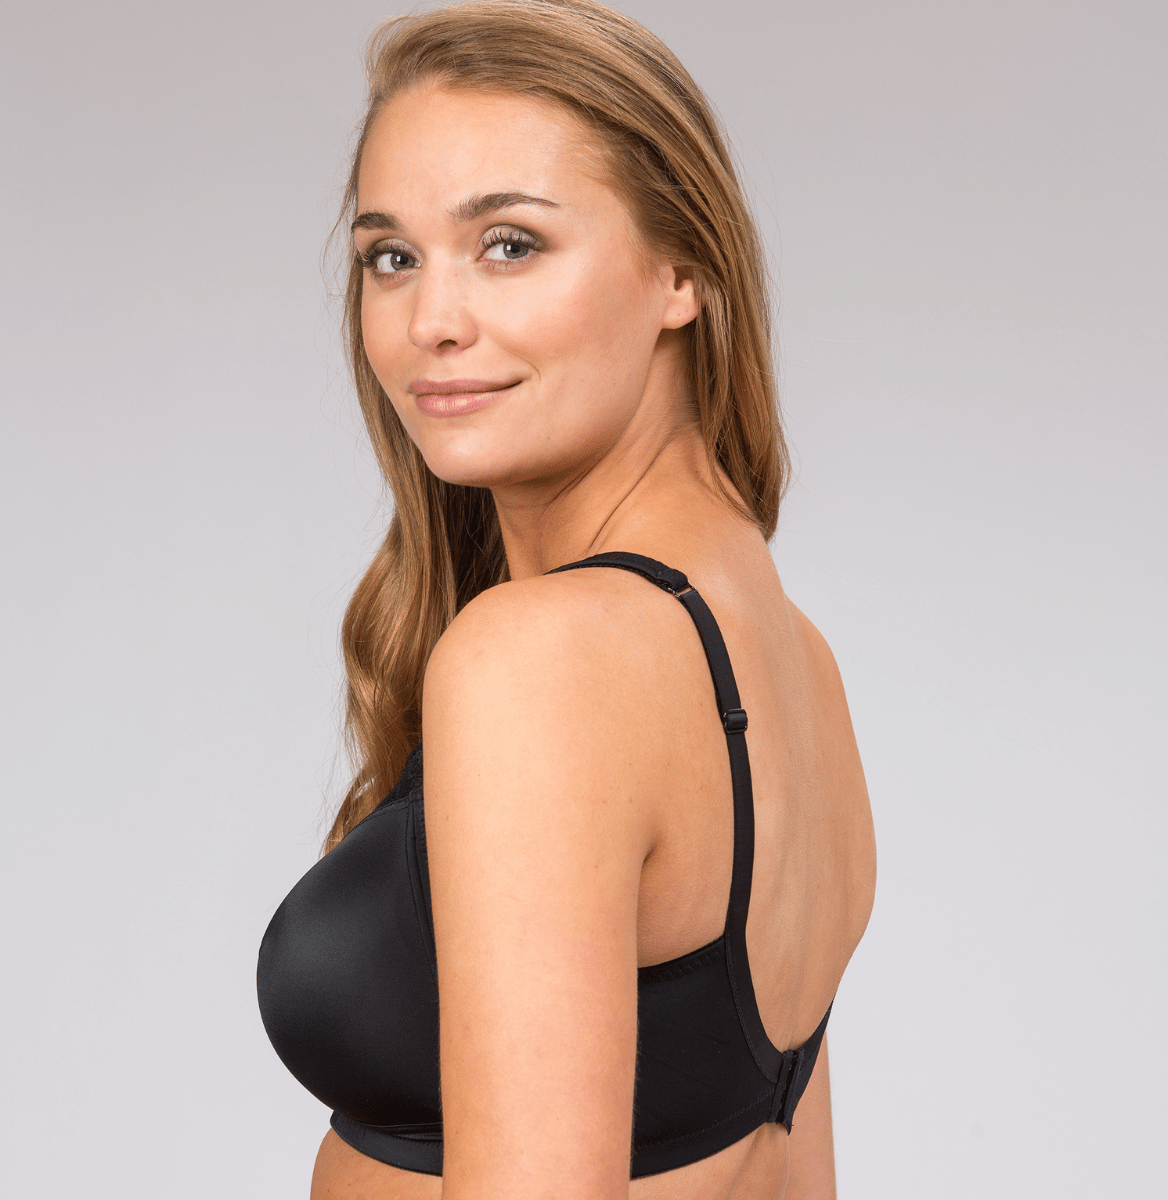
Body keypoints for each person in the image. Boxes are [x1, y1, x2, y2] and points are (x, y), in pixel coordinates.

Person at [256, 2, 876, 1197]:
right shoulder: (793, 656)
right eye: (392, 257)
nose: (430, 323)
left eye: (510, 245)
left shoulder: (542, 663)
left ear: (681, 271)